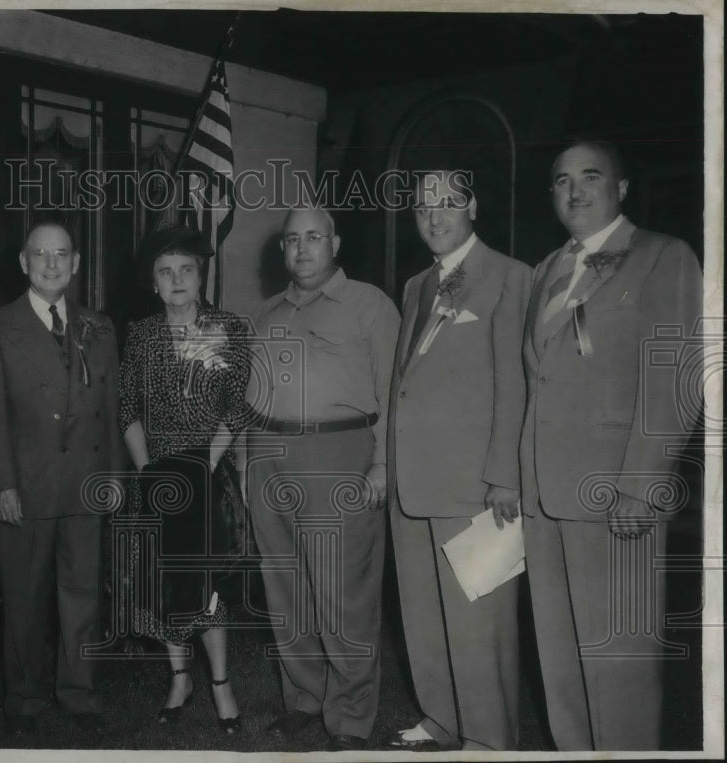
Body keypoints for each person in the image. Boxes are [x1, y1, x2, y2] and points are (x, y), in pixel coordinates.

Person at [521, 140, 702, 750]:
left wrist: (638, 487)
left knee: (618, 664)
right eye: (561, 180)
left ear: (621, 188)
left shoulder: (663, 256)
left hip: (615, 496)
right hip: (546, 499)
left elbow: (677, 376)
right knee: (561, 661)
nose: (574, 191)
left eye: (590, 176)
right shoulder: (547, 269)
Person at [386, 169, 531, 750]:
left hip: (474, 483)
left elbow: (513, 383)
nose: (434, 217)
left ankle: (490, 737)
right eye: (423, 207)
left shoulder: (509, 276)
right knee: (422, 614)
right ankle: (442, 717)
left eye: (447, 204)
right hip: (412, 481)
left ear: (473, 205)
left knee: (479, 622)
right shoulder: (417, 284)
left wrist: (503, 475)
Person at [246, 206, 400, 752]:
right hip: (269, 454)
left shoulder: (369, 305)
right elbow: (251, 394)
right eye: (292, 239)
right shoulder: (267, 312)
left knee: (343, 592)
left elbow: (393, 394)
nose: (302, 248)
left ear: (335, 241)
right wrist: (248, 464)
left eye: (314, 237)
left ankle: (351, 716)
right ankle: (304, 698)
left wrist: (382, 463)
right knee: (285, 586)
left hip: (340, 453)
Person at [0, 219, 121, 737]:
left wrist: (113, 476)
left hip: (85, 483)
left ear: (76, 263)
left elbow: (109, 407)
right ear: (23, 262)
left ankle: (80, 692)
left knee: (83, 592)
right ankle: (23, 695)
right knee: (24, 596)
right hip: (28, 486)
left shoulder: (99, 326)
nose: (50, 263)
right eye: (40, 254)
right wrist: (3, 484)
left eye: (61, 254)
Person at [118, 225, 251, 734]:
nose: (177, 279)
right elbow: (127, 408)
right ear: (153, 282)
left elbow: (237, 407)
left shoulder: (229, 328)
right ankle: (180, 679)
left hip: (210, 472)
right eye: (165, 271)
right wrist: (149, 471)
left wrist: (204, 466)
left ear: (201, 277)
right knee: (164, 583)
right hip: (157, 474)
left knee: (207, 583)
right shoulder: (141, 334)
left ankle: (220, 683)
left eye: (187, 270)